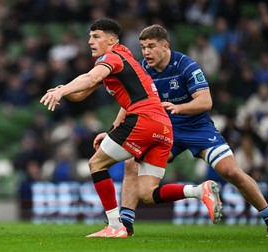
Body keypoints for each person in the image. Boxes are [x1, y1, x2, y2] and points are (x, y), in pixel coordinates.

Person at [40, 18, 222, 238]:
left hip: (143, 120)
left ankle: (116, 226)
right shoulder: (122, 57)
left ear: (111, 40)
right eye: (89, 36)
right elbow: (81, 93)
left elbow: (89, 78)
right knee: (147, 192)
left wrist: (60, 92)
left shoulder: (112, 57)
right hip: (163, 127)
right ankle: (199, 190)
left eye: (96, 36)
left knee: (96, 163)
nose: (90, 41)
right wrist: (65, 89)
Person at [113, 24, 268, 238]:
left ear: (165, 46)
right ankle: (125, 225)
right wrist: (113, 128)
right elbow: (129, 102)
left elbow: (205, 101)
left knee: (232, 172)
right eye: (143, 47)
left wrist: (179, 108)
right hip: (166, 131)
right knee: (132, 164)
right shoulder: (142, 70)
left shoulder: (186, 66)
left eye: (151, 46)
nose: (146, 52)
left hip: (198, 128)